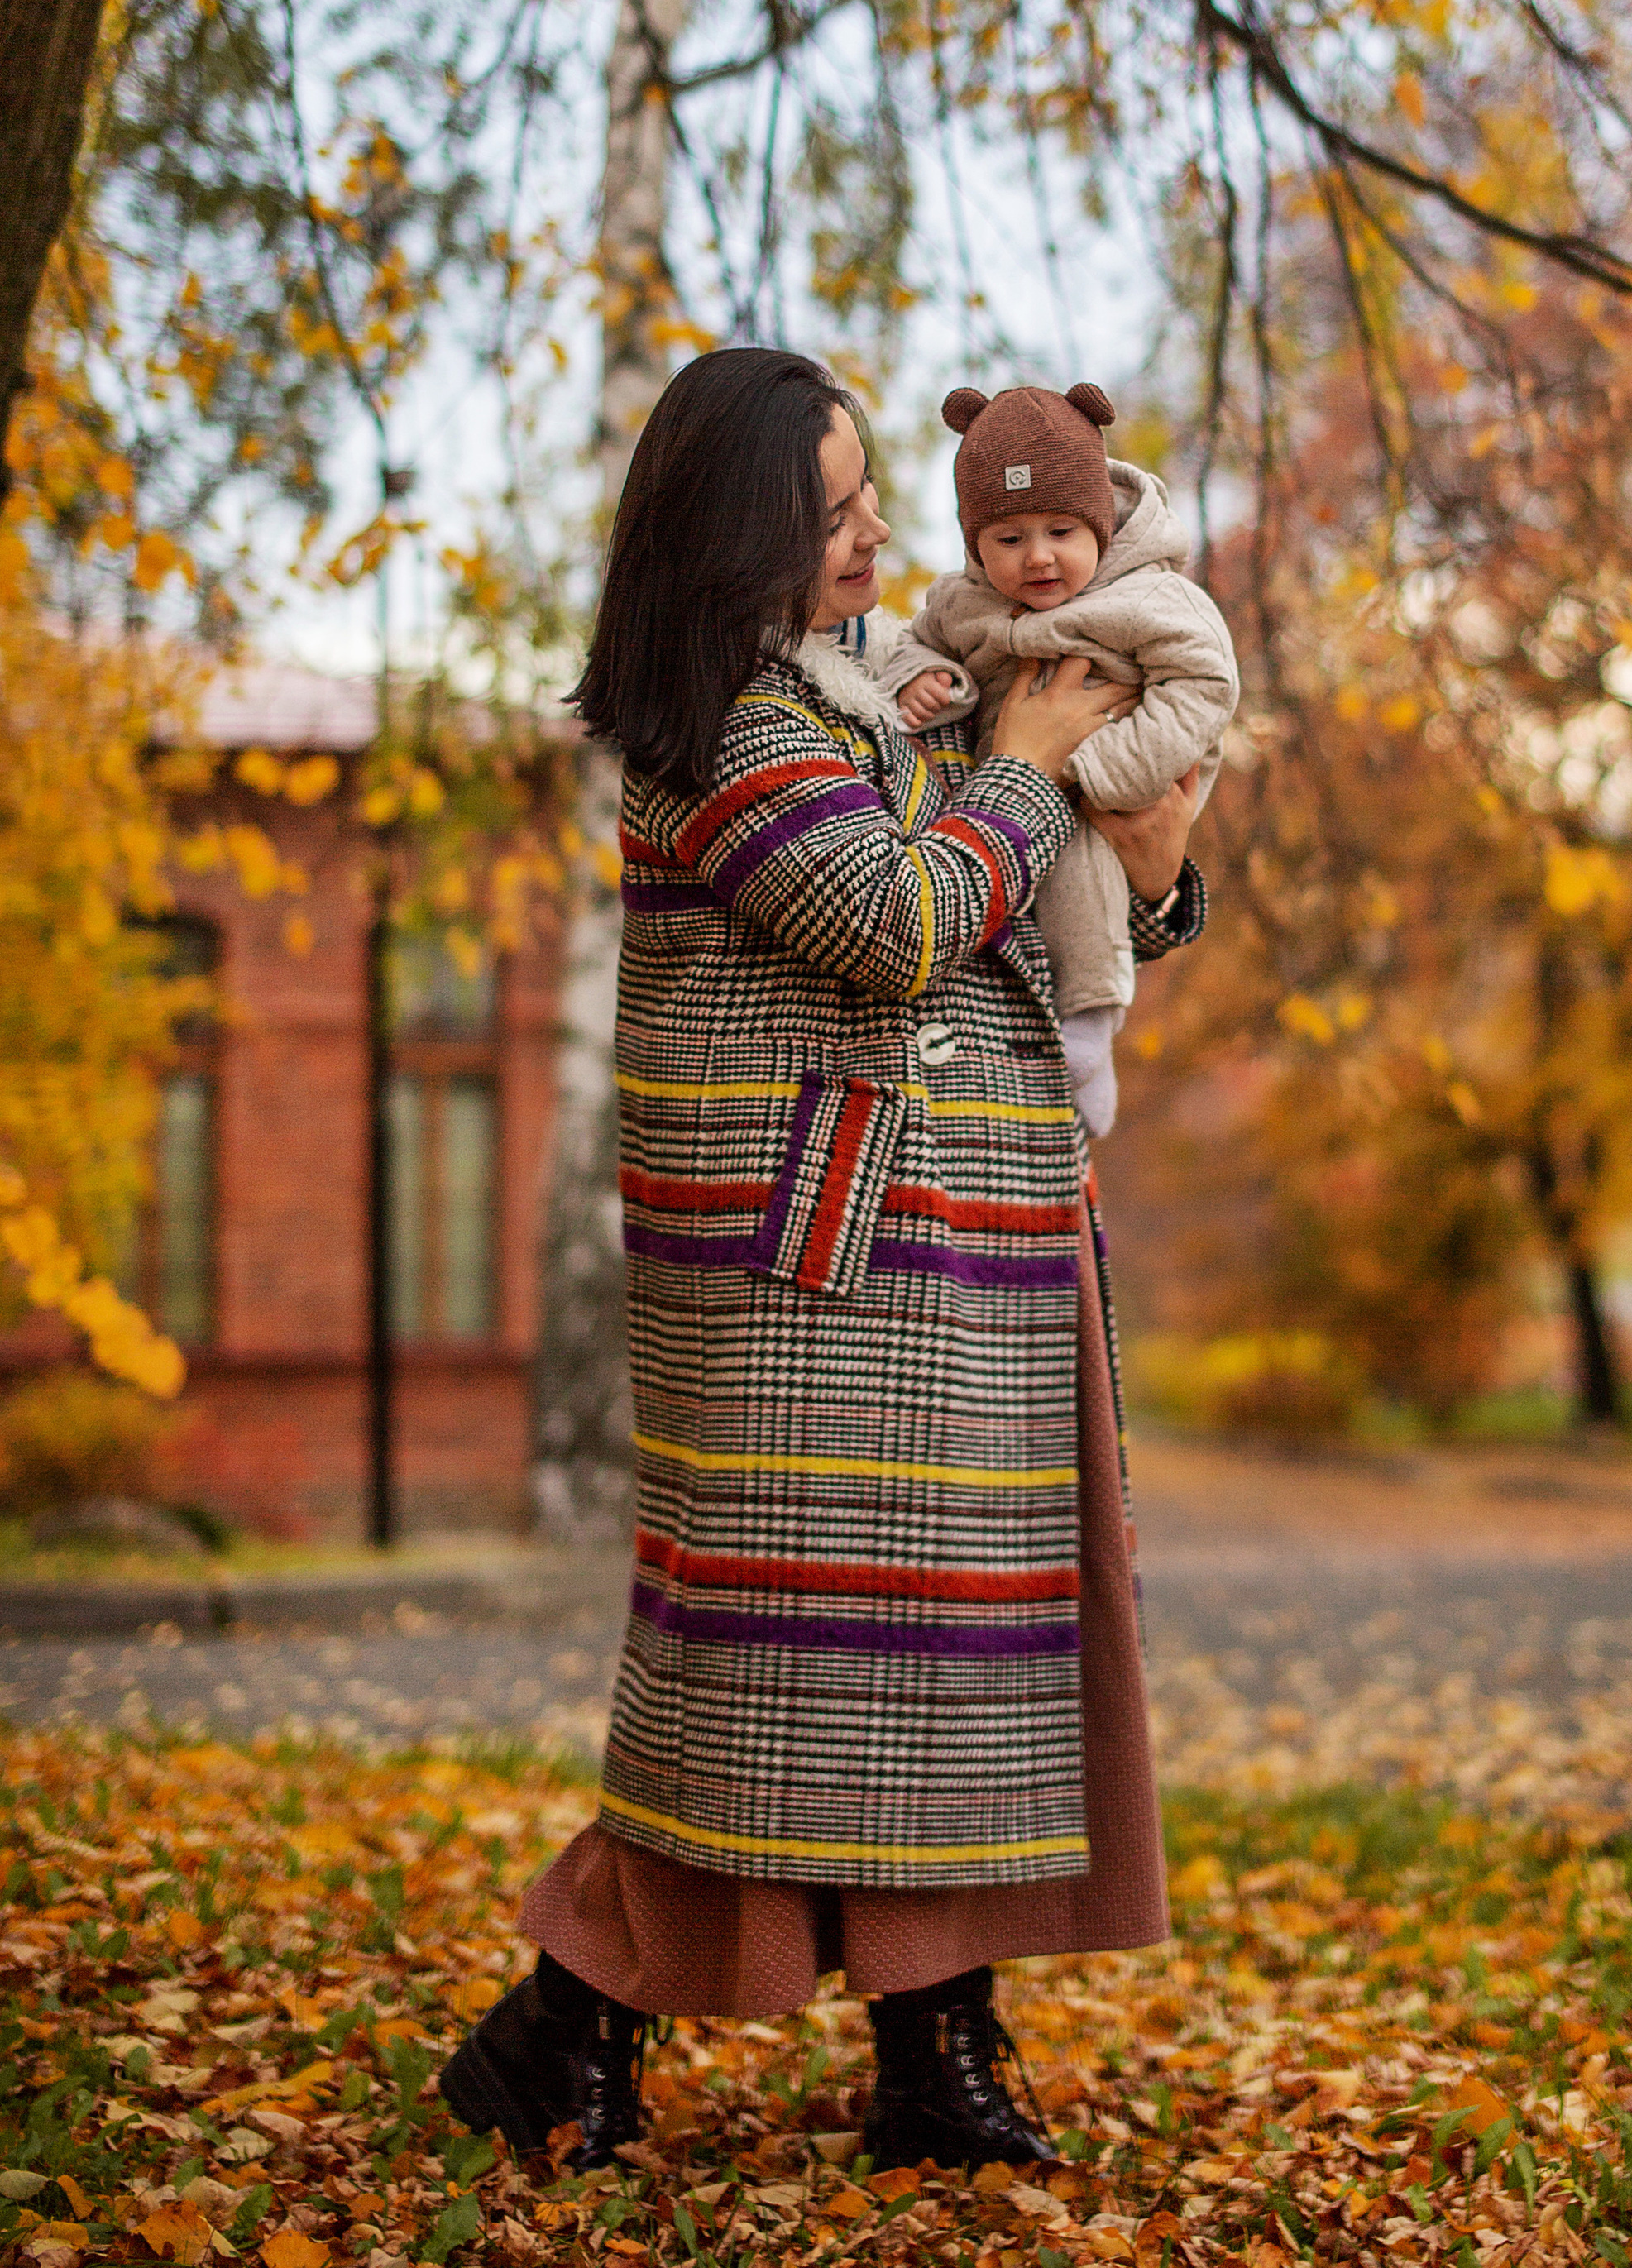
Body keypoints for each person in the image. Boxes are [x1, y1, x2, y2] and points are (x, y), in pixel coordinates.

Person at [439, 347, 1207, 2175]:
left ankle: (933, 2058)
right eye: (839, 510)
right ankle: (563, 2027)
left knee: (943, 1662)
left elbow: (1029, 903)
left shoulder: (877, 697)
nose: (877, 534)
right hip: (813, 1260)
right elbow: (894, 917)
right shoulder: (719, 725)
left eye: (872, 499)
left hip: (963, 1247)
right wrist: (1022, 765)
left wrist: (1156, 867)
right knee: (770, 1664)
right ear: (740, 541)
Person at [884, 383, 1237, 1139]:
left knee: (1079, 866)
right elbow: (916, 640)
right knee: (1023, 888)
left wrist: (1103, 768)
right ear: (975, 546)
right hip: (1011, 792)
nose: (1038, 557)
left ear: (1102, 528)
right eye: (1008, 540)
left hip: (1128, 773)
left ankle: (1090, 1029)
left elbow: (1207, 683)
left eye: (1061, 532)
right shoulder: (961, 602)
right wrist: (920, 676)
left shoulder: (1151, 596)